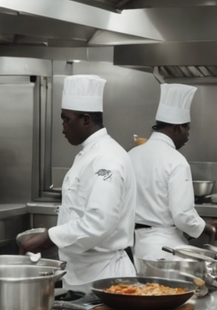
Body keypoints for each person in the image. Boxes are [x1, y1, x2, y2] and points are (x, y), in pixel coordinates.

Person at [20, 75, 136, 284]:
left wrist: (49, 237)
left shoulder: (107, 158)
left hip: (105, 276)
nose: (63, 127)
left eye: (66, 119)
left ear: (86, 120)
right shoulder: (90, 154)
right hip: (82, 272)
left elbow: (99, 222)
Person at [131, 83, 217, 262]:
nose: (187, 136)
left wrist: (202, 226)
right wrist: (209, 229)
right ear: (177, 128)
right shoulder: (176, 161)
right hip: (163, 250)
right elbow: (182, 216)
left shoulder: (131, 155)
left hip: (132, 248)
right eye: (187, 129)